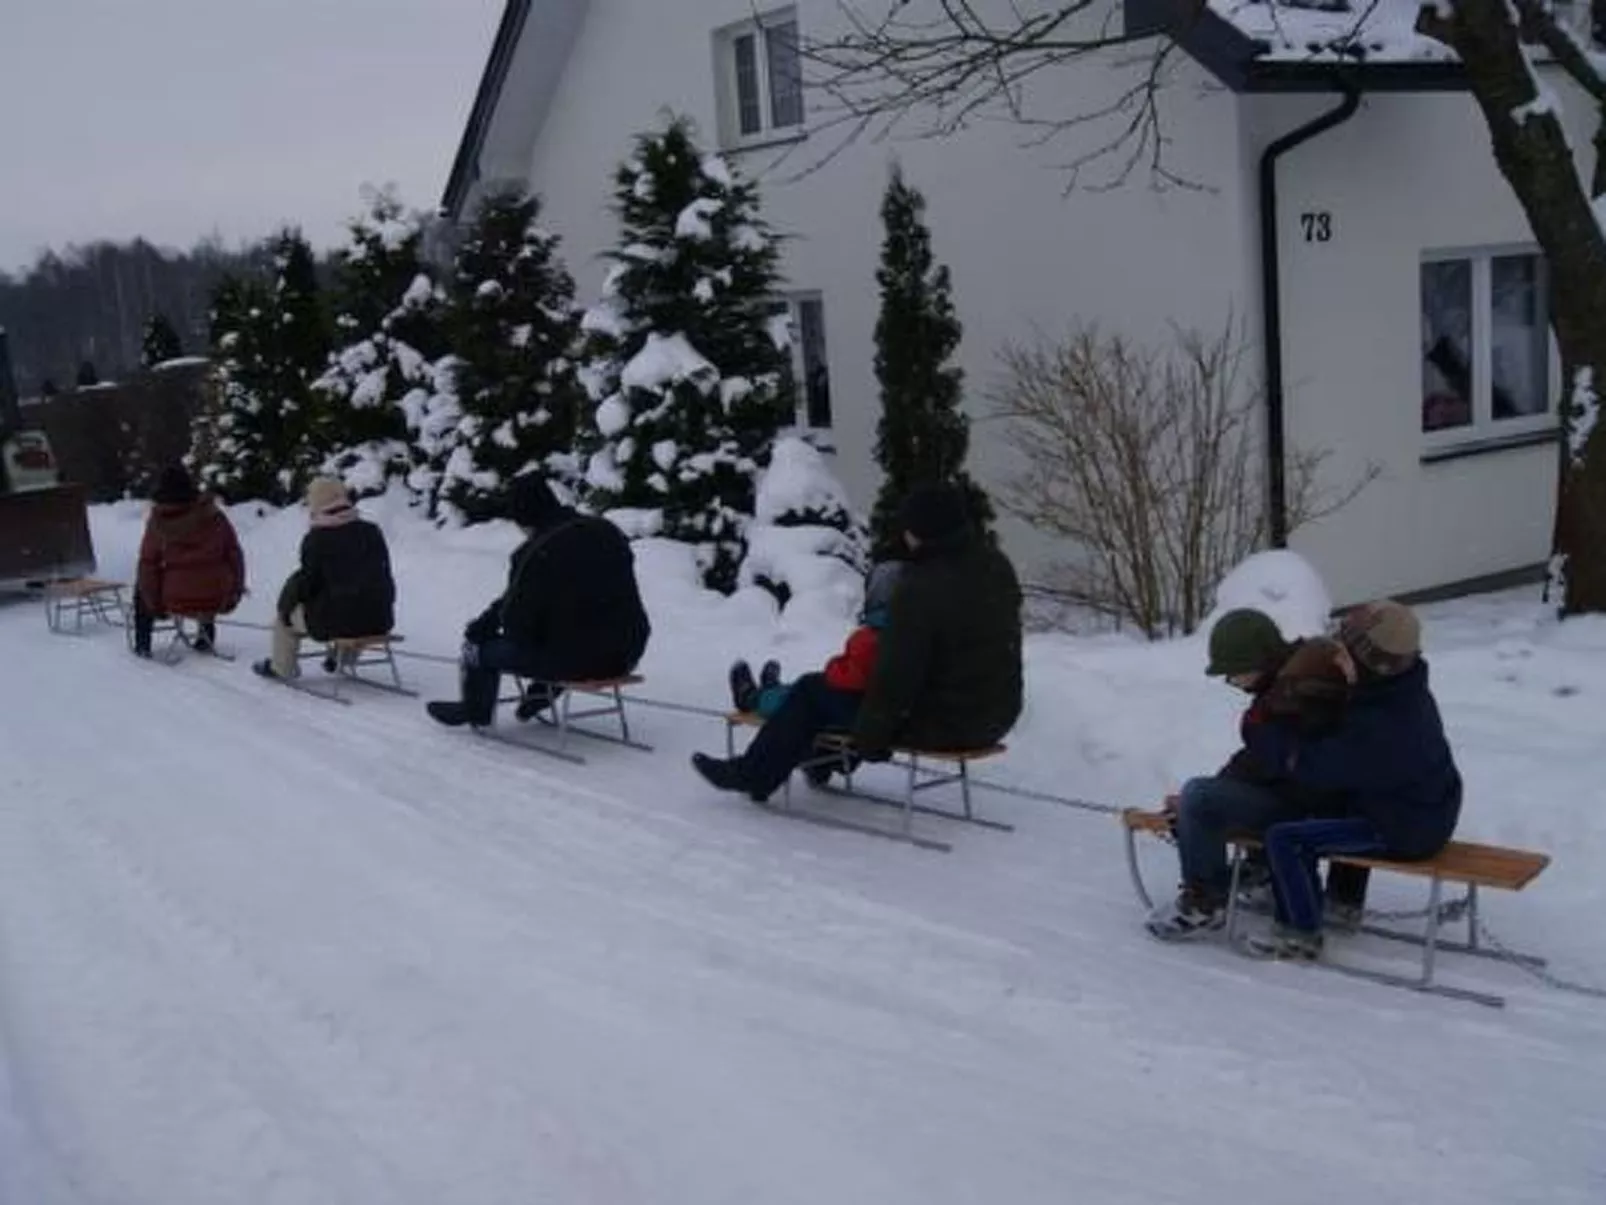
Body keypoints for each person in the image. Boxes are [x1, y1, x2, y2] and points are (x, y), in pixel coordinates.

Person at [691, 482, 1022, 801]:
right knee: (845, 696)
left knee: (812, 691)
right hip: (996, 715)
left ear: (921, 531)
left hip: (945, 722)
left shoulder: (919, 586)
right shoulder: (995, 566)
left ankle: (753, 776)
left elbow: (897, 675)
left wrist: (870, 741)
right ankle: (824, 761)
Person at [1250, 600, 1462, 960]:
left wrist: (1265, 733)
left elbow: (1313, 768)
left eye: (1346, 652)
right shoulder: (1399, 691)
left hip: (1405, 828)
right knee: (1337, 808)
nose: (1339, 656)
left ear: (1371, 663)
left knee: (1286, 838)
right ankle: (1342, 903)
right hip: (1427, 809)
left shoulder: (1383, 722)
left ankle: (1299, 933)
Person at [1146, 609, 1356, 941]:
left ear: (1259, 661)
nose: (1231, 682)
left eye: (1234, 673)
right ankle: (1259, 871)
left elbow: (1274, 764)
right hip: (1310, 799)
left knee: (1200, 798)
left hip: (1307, 807)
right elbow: (1260, 759)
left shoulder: (1292, 694)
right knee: (1202, 796)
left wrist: (1204, 798)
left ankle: (1205, 901)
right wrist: (1218, 789)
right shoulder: (1289, 681)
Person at [425, 472, 651, 728]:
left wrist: (480, 630)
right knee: (570, 631)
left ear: (524, 517)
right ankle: (539, 695)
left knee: (479, 649)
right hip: (627, 652)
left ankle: (475, 710)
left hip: (575, 661)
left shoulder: (536, 551)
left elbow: (517, 623)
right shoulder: (607, 531)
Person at [727, 559, 904, 786]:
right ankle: (816, 759)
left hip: (861, 712)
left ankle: (752, 697)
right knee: (810, 692)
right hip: (880, 709)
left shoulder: (871, 638)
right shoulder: (911, 635)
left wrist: (834, 667)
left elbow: (847, 678)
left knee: (803, 694)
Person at [252, 477, 396, 680]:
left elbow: (308, 583)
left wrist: (285, 607)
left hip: (335, 622)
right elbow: (382, 575)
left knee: (284, 622)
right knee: (357, 603)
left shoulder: (317, 538)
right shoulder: (372, 531)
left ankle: (281, 668)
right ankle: (342, 659)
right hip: (379, 618)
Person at [132, 464, 245, 657]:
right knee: (206, 573)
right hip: (216, 596)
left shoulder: (158, 522)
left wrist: (155, 605)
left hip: (175, 600)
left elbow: (148, 566)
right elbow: (234, 555)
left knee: (141, 587)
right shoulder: (214, 515)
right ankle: (205, 636)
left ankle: (143, 645)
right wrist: (234, 592)